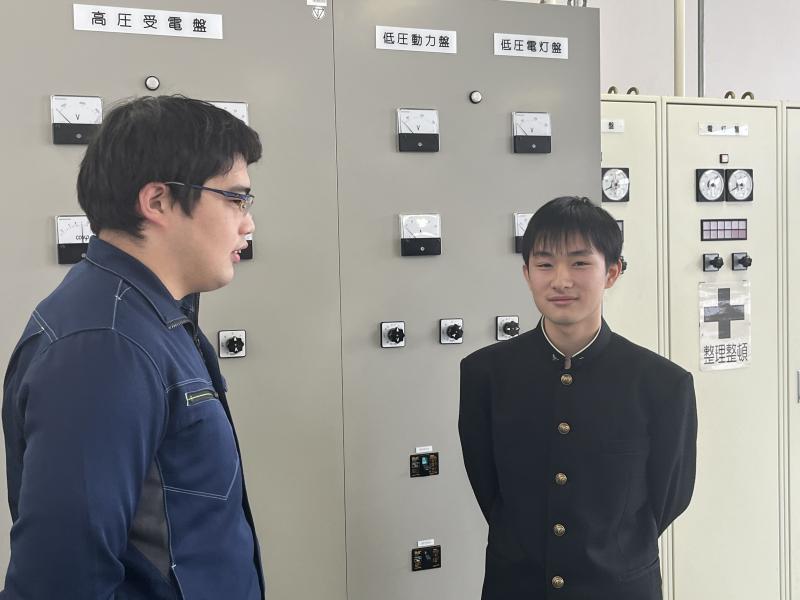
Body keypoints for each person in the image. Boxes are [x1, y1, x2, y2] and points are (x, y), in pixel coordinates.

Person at [1, 96, 264, 599]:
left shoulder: (150, 316)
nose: (247, 223)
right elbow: (61, 578)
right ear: (158, 201)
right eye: (235, 199)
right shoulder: (104, 346)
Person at [459, 196, 697, 599]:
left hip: (618, 587)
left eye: (580, 263)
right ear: (526, 273)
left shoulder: (661, 384)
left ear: (612, 272)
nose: (561, 280)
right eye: (545, 264)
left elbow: (668, 498)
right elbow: (488, 487)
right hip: (516, 586)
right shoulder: (486, 374)